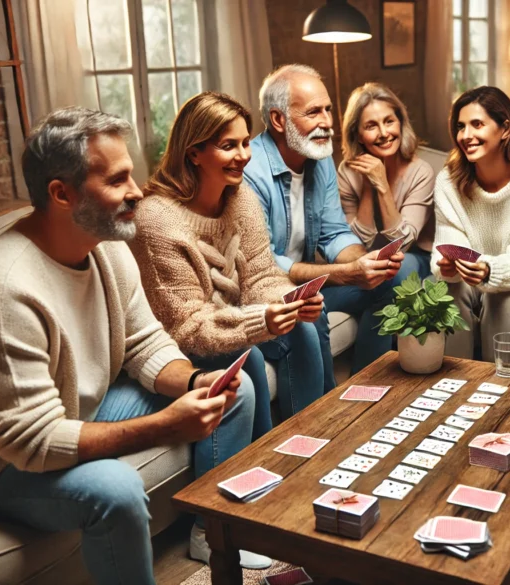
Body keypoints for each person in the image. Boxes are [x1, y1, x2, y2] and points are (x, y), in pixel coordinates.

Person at [0, 107, 267, 584]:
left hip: (79, 410)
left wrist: (194, 380)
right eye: (118, 180)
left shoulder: (106, 246)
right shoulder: (0, 290)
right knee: (117, 488)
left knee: (236, 389)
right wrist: (165, 424)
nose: (138, 192)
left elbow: (146, 344)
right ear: (62, 193)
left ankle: (213, 534)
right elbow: (33, 442)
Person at [129, 92, 325, 438]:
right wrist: (259, 321)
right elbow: (186, 326)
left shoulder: (240, 197)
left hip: (237, 322)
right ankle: (261, 459)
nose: (243, 156)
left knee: (302, 328)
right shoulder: (155, 220)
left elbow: (262, 275)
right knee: (246, 356)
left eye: (246, 143)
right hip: (183, 342)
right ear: (194, 154)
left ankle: (310, 440)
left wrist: (286, 301)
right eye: (228, 146)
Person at [243, 64, 406, 377]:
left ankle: (366, 388)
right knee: (310, 308)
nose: (327, 123)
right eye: (313, 112)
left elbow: (334, 235)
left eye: (328, 110)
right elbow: (265, 264)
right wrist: (346, 273)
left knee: (390, 281)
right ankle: (322, 416)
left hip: (305, 284)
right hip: (261, 293)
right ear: (279, 119)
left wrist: (366, 260)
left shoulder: (319, 159)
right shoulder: (251, 170)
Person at [431, 86, 510, 361]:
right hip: (465, 281)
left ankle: (501, 387)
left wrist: (488, 270)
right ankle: (454, 386)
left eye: (477, 124)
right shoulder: (448, 181)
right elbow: (447, 246)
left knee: (503, 298)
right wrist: (448, 267)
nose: (466, 135)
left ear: (506, 129)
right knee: (449, 289)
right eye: (461, 126)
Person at [338, 82, 435, 280]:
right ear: (358, 136)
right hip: (367, 259)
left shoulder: (421, 172)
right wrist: (368, 183)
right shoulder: (347, 172)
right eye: (371, 126)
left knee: (395, 270)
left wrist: (381, 184)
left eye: (389, 121)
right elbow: (355, 244)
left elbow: (402, 244)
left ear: (400, 123)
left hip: (413, 257)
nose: (383, 133)